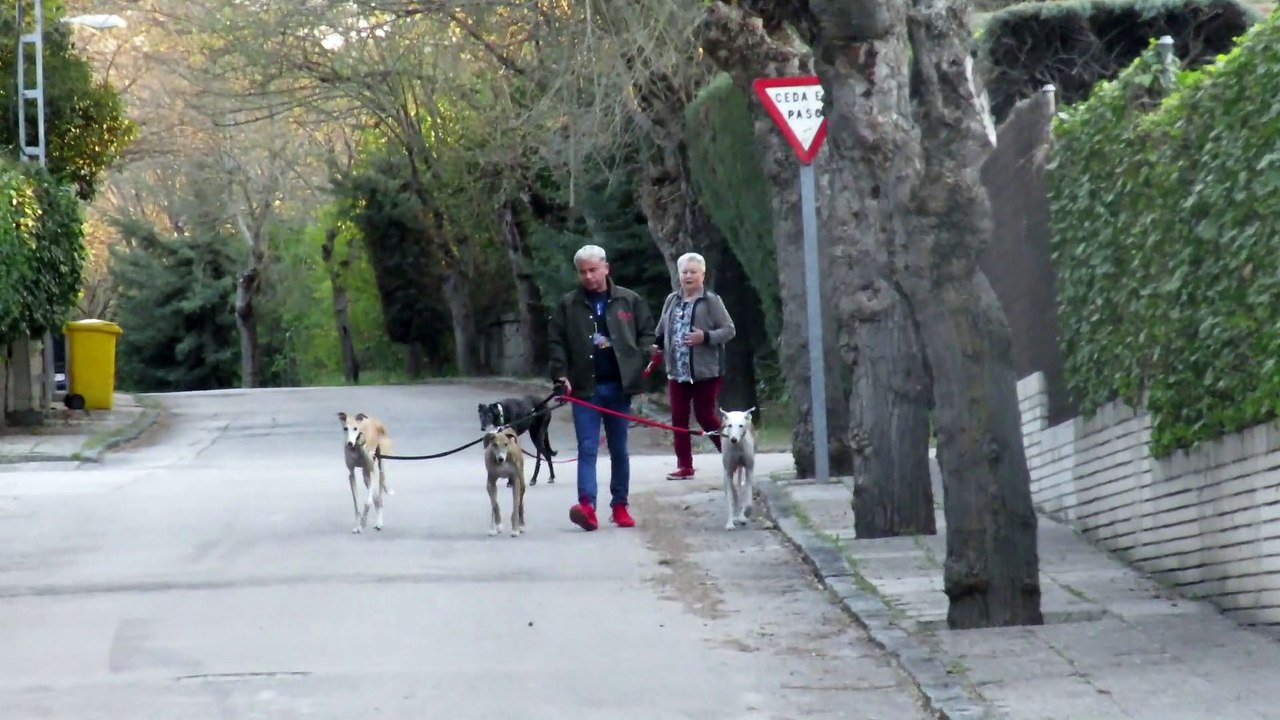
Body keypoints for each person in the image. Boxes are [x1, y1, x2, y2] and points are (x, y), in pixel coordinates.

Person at [548, 244, 656, 531]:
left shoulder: (629, 300)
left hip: (619, 387)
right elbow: (556, 341)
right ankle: (587, 506)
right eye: (582, 272)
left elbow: (647, 333)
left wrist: (642, 359)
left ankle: (620, 505)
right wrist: (560, 375)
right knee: (587, 447)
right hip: (584, 389)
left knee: (619, 449)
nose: (588, 276)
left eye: (593, 270)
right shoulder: (567, 304)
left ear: (606, 268)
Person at [652, 252, 736, 480]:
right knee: (678, 418)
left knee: (705, 415)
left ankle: (731, 455)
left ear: (702, 274)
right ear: (679, 274)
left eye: (693, 272)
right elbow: (661, 331)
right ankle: (684, 466)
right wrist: (656, 349)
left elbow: (729, 330)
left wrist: (705, 337)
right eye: (684, 272)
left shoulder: (711, 300)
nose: (688, 276)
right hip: (677, 370)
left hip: (705, 370)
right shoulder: (672, 300)